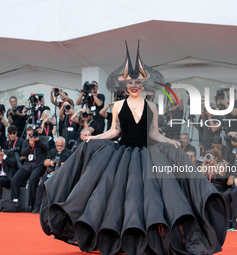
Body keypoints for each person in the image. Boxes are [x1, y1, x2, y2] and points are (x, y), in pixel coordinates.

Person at [40, 42, 227, 255]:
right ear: (126, 85)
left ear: (143, 84)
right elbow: (114, 132)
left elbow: (154, 134)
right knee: (116, 197)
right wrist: (94, 137)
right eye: (130, 82)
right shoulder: (118, 105)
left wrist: (169, 141)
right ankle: (115, 238)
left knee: (149, 198)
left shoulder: (153, 106)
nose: (134, 85)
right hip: (122, 156)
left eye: (138, 81)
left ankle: (148, 239)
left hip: (148, 155)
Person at [10, 126, 49, 211]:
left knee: (32, 179)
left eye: (31, 134)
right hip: (27, 166)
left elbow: (46, 148)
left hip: (39, 165)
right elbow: (23, 153)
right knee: (14, 179)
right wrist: (30, 146)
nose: (30, 136)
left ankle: (32, 205)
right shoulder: (26, 142)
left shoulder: (42, 139)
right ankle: (15, 202)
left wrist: (37, 141)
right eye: (28, 135)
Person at [32, 137, 71, 213]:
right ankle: (37, 206)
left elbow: (72, 165)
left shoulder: (69, 153)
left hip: (62, 174)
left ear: (64, 144)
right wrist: (50, 163)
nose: (59, 147)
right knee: (41, 186)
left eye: (61, 145)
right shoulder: (52, 151)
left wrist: (64, 164)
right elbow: (45, 162)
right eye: (58, 145)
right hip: (51, 173)